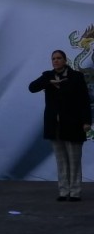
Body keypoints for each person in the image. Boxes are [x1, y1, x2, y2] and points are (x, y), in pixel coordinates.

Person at [29, 49, 92, 202]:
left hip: (74, 124)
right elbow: (32, 87)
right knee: (61, 160)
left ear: (65, 60)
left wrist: (86, 122)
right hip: (54, 125)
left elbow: (84, 101)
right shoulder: (47, 76)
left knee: (74, 160)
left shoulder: (76, 76)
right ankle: (63, 191)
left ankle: (75, 191)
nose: (55, 61)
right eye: (53, 58)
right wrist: (49, 82)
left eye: (59, 58)